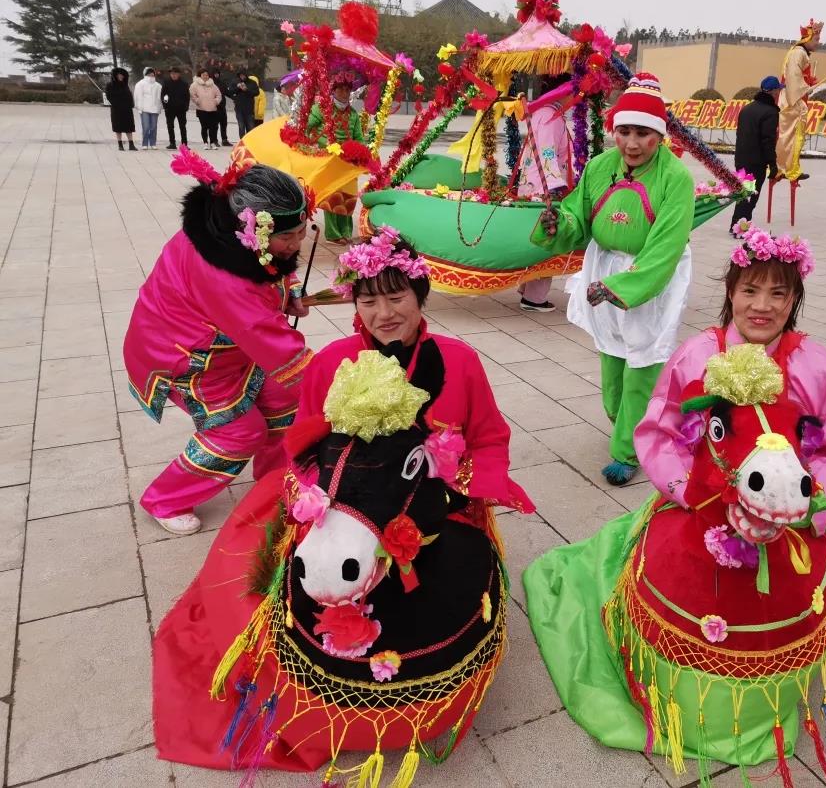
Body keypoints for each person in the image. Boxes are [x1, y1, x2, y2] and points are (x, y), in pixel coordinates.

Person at [152, 227, 534, 782]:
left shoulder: (459, 361)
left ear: (421, 296)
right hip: (344, 505)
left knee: (445, 589)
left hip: (432, 506)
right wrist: (314, 498)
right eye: (368, 300)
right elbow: (304, 447)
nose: (384, 313)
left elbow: (489, 438)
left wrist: (461, 480)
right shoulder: (333, 361)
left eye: (397, 296)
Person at [523, 225, 826, 780]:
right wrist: (690, 492)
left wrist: (812, 506)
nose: (762, 306)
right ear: (730, 291)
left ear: (794, 300)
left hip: (793, 507)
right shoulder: (698, 354)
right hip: (703, 501)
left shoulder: (816, 365)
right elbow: (660, 434)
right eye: (750, 290)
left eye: (778, 293)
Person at [124, 149, 314, 535]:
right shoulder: (226, 277)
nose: (297, 244)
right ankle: (165, 499)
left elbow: (272, 271)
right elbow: (279, 349)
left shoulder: (234, 235)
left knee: (285, 398)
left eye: (302, 232)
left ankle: (274, 481)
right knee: (240, 431)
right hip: (186, 357)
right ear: (253, 229)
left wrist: (289, 289)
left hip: (229, 345)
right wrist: (338, 386)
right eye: (287, 236)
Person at [533, 73, 695, 486]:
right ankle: (630, 424)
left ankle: (628, 449)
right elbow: (577, 216)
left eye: (643, 133)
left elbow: (666, 246)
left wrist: (623, 287)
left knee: (642, 360)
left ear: (659, 136)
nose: (632, 143)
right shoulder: (601, 166)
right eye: (624, 132)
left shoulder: (675, 178)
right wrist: (558, 224)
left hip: (651, 277)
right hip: (602, 268)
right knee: (612, 357)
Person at [517, 74, 575, 313]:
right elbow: (548, 155)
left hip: (532, 184)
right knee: (547, 242)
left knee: (534, 238)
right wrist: (556, 187)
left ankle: (527, 288)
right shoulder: (552, 117)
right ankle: (534, 297)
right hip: (544, 187)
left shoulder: (541, 112)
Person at [307, 74, 365, 243]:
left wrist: (363, 154)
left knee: (348, 197)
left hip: (348, 162)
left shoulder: (353, 114)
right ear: (333, 90)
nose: (344, 93)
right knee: (332, 197)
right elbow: (306, 127)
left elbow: (358, 138)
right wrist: (316, 146)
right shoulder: (321, 108)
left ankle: (346, 232)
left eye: (347, 90)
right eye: (341, 89)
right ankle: (333, 234)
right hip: (329, 160)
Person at [730, 75, 781, 228]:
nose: (779, 93)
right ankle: (741, 227)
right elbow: (767, 140)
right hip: (756, 162)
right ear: (774, 92)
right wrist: (772, 164)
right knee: (751, 196)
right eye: (778, 90)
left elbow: (740, 134)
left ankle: (737, 225)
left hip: (741, 159)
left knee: (744, 194)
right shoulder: (770, 112)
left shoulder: (747, 109)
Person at [776, 18, 823, 182]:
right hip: (793, 100)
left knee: (788, 136)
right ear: (807, 38)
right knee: (793, 136)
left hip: (792, 97)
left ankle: (784, 168)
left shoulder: (798, 52)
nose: (818, 43)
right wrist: (806, 88)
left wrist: (809, 82)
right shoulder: (799, 53)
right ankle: (790, 169)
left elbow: (798, 76)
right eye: (816, 39)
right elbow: (793, 76)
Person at [104, 67, 136, 152]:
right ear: (116, 75)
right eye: (119, 75)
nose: (121, 76)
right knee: (118, 127)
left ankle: (131, 144)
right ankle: (120, 144)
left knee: (129, 127)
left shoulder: (125, 85)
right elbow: (109, 96)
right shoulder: (110, 85)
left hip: (127, 109)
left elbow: (129, 96)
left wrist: (131, 104)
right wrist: (116, 104)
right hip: (116, 109)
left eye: (122, 75)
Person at [190, 68, 222, 150]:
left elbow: (219, 95)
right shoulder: (195, 85)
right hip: (201, 109)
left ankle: (212, 143)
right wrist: (197, 101)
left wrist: (216, 101)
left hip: (212, 109)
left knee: (212, 127)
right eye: (203, 75)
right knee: (204, 127)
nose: (205, 76)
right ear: (200, 75)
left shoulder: (213, 85)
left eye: (207, 75)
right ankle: (205, 143)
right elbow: (192, 95)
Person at [133, 67, 163, 150]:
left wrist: (160, 107)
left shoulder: (158, 85)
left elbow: (160, 97)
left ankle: (153, 143)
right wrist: (139, 107)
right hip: (144, 109)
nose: (151, 75)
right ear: (145, 74)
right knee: (146, 127)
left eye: (152, 74)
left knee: (153, 127)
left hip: (155, 109)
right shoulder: (140, 84)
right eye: (149, 74)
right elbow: (137, 96)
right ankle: (145, 143)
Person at [161, 66, 190, 150]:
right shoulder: (166, 82)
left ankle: (184, 144)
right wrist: (165, 106)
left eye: (175, 73)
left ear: (179, 74)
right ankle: (172, 143)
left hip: (181, 109)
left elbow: (187, 96)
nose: (173, 75)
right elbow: (163, 95)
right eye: (171, 73)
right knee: (170, 126)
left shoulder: (184, 83)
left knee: (182, 126)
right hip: (170, 108)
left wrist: (186, 106)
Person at [230, 71, 258, 138]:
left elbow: (257, 93)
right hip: (239, 109)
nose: (242, 77)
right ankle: (242, 141)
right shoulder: (235, 82)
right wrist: (238, 88)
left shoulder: (252, 82)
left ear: (246, 75)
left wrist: (246, 90)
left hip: (249, 109)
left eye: (243, 75)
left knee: (250, 127)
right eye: (240, 75)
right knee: (241, 127)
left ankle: (250, 141)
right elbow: (230, 92)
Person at [210, 67, 232, 147]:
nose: (216, 75)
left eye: (217, 74)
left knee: (224, 124)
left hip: (222, 107)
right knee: (215, 125)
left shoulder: (222, 83)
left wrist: (235, 98)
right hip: (214, 107)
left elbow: (227, 92)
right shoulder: (210, 84)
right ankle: (214, 140)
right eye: (215, 74)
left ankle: (224, 140)